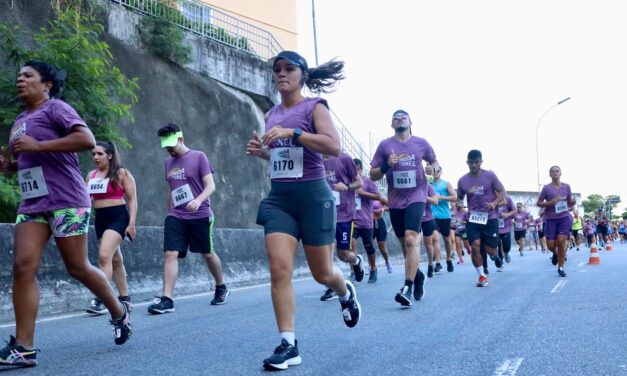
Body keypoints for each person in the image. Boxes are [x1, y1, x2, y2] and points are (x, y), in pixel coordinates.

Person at [0, 61, 131, 367]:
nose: (20, 80)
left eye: (28, 76)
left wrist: (38, 144)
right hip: (33, 202)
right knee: (22, 267)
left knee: (78, 267)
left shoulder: (56, 108)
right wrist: (11, 166)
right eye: (19, 76)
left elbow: (86, 140)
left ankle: (119, 311)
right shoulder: (20, 120)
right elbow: (32, 158)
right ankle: (24, 347)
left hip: (66, 200)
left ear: (46, 84)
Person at [246, 51, 360, 370]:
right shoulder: (271, 114)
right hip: (280, 200)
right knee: (279, 268)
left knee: (322, 273)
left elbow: (332, 146)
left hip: (313, 197)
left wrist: (293, 132)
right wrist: (263, 154)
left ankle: (344, 291)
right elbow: (286, 157)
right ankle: (288, 344)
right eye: (277, 70)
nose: (281, 74)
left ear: (303, 76)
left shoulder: (314, 106)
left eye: (289, 69)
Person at [147, 123, 229, 314]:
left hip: (200, 214)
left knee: (207, 253)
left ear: (181, 139)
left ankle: (221, 285)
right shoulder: (167, 162)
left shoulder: (199, 157)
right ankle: (167, 299)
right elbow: (172, 187)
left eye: (171, 146)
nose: (169, 150)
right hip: (176, 216)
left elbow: (211, 186)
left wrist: (199, 200)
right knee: (170, 253)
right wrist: (169, 211)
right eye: (166, 147)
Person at [370, 109, 440, 307]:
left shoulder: (421, 143)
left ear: (410, 121)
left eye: (403, 117)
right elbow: (373, 175)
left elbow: (434, 162)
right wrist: (386, 166)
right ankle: (417, 275)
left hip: (417, 195)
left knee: (411, 238)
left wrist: (432, 169)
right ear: (391, 124)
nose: (399, 119)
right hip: (395, 199)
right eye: (395, 118)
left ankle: (407, 287)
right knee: (405, 245)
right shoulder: (385, 145)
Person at [85, 141, 137, 315]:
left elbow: (132, 199)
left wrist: (131, 224)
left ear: (109, 155)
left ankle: (102, 299)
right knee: (115, 260)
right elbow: (86, 200)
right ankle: (125, 299)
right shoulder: (91, 175)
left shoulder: (121, 173)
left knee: (104, 256)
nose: (95, 157)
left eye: (99, 154)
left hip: (118, 216)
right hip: (100, 219)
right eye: (93, 154)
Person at [456, 150, 505, 287]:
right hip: (473, 218)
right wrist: (459, 204)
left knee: (490, 250)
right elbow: (459, 198)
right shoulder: (463, 180)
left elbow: (502, 192)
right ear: (467, 162)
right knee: (475, 246)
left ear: (481, 162)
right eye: (471, 162)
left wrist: (494, 203)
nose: (473, 165)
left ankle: (495, 256)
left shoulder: (490, 176)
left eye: (476, 162)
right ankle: (482, 276)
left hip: (490, 217)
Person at [320, 152, 364, 299]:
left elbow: (359, 182)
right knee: (324, 251)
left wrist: (346, 186)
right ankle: (332, 287)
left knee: (343, 255)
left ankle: (356, 260)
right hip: (324, 213)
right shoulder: (313, 157)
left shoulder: (344, 158)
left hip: (344, 214)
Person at [537, 166, 576, 277]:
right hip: (550, 219)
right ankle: (555, 253)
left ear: (560, 173)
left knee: (561, 241)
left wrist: (572, 202)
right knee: (550, 246)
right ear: (549, 174)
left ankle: (561, 267)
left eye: (557, 171)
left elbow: (569, 202)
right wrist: (550, 203)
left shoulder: (567, 187)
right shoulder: (546, 188)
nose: (555, 173)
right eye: (552, 171)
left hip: (564, 218)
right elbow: (538, 203)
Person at [351, 158, 382, 283]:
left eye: (356, 168)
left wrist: (362, 192)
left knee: (369, 246)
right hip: (352, 220)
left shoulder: (368, 182)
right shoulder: (347, 181)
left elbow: (378, 196)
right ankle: (353, 271)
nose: (354, 170)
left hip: (366, 221)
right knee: (350, 245)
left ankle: (373, 268)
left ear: (361, 168)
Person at [430, 166, 457, 273]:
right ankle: (437, 263)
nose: (436, 172)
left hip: (445, 216)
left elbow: (454, 197)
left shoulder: (446, 184)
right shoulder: (429, 185)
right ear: (431, 172)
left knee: (446, 239)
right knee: (435, 238)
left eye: (438, 171)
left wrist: (441, 197)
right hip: (432, 216)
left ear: (441, 172)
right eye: (434, 171)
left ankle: (449, 259)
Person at [422, 184, 440, 278]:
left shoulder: (428, 186)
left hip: (427, 219)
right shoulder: (409, 186)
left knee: (428, 245)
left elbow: (435, 201)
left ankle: (430, 264)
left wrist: (422, 196)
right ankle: (414, 269)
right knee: (411, 243)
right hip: (413, 219)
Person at [372, 198, 392, 272]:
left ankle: (387, 261)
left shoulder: (380, 197)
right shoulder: (364, 196)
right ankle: (372, 265)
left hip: (380, 222)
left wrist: (383, 209)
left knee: (382, 246)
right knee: (370, 246)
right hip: (368, 223)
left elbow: (391, 207)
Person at [497, 195, 516, 263]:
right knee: (498, 246)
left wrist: (507, 215)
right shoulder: (491, 199)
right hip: (495, 227)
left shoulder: (507, 199)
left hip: (506, 226)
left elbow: (514, 210)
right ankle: (500, 261)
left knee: (507, 246)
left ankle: (506, 253)